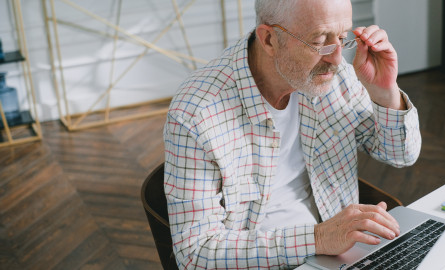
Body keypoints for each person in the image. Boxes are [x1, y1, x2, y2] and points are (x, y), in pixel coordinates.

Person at [163, 0, 421, 268]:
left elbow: (401, 155)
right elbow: (194, 254)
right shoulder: (196, 113)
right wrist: (318, 238)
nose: (335, 58)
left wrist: (384, 92)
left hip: (343, 255)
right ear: (270, 39)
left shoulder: (336, 75)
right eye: (320, 41)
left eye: (343, 38)